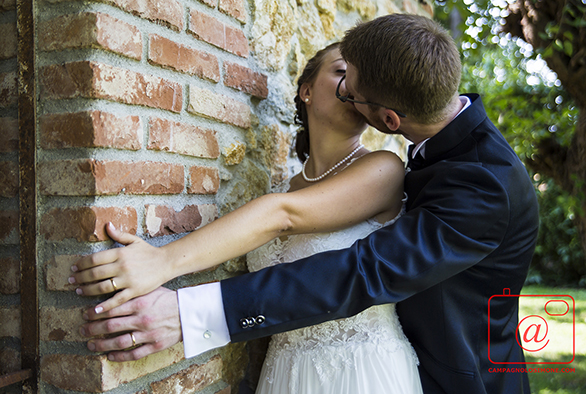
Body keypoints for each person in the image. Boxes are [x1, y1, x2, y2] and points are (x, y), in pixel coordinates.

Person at [71, 14, 538, 394]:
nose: (346, 96)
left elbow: (361, 270)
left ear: (389, 119)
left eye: (351, 90)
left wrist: (191, 314)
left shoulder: (484, 185)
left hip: (449, 378)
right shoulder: (426, 148)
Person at [73, 43, 423, 393]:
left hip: (363, 372)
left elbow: (282, 215)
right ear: (307, 91)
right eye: (341, 71)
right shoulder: (287, 187)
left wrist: (162, 261)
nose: (351, 86)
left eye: (360, 81)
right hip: (285, 373)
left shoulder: (384, 169)